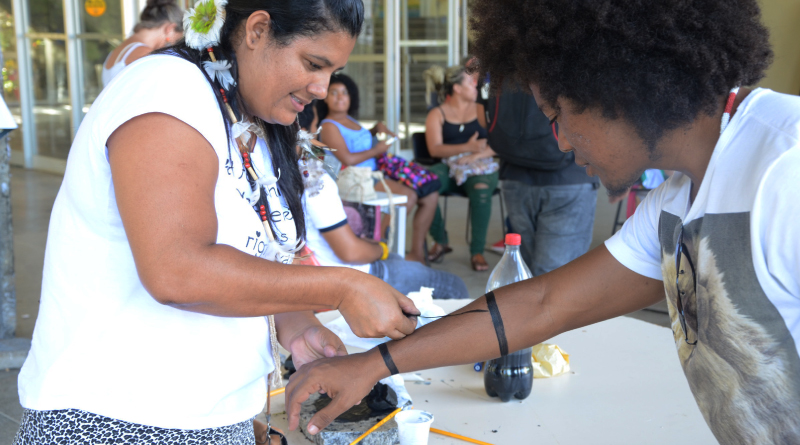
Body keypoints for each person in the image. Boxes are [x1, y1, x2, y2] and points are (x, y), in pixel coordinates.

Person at [284, 0, 800, 443]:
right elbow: (542, 302)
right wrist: (372, 365)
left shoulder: (785, 168)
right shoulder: (674, 202)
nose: (560, 142)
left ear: (614, 86)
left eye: (557, 116)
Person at [14, 1, 420, 443]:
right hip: (117, 422)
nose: (322, 87)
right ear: (258, 30)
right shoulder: (166, 90)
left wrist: (297, 324)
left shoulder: (247, 113)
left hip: (205, 419)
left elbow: (242, 257)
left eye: (332, 71)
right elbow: (178, 270)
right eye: (313, 63)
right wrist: (342, 287)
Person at [477, 81, 599, 276]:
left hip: (514, 172)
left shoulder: (501, 60)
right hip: (568, 174)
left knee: (524, 271)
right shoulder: (575, 55)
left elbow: (484, 119)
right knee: (558, 277)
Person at [318, 73, 439, 264]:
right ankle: (378, 243)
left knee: (430, 195)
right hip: (356, 179)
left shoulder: (351, 120)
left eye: (345, 93)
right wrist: (377, 150)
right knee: (409, 196)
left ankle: (416, 253)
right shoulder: (328, 126)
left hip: (375, 175)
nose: (340, 97)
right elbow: (347, 159)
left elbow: (359, 141)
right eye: (334, 92)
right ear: (324, 97)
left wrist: (375, 129)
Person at [303, 171, 469, 299]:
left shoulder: (281, 179)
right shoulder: (314, 179)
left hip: (321, 268)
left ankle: (415, 256)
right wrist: (381, 249)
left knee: (397, 259)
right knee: (455, 285)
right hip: (347, 274)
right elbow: (350, 253)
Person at [423, 64, 499, 271]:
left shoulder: (482, 110)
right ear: (456, 88)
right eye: (470, 81)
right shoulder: (437, 114)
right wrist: (467, 147)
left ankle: (477, 252)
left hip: (481, 165)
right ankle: (440, 240)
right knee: (424, 183)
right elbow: (435, 150)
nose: (476, 85)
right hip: (449, 165)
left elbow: (500, 142)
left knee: (481, 188)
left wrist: (477, 153)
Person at [101, 0, 183, 87]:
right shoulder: (145, 55)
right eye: (176, 40)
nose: (171, 44)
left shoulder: (118, 50)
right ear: (170, 28)